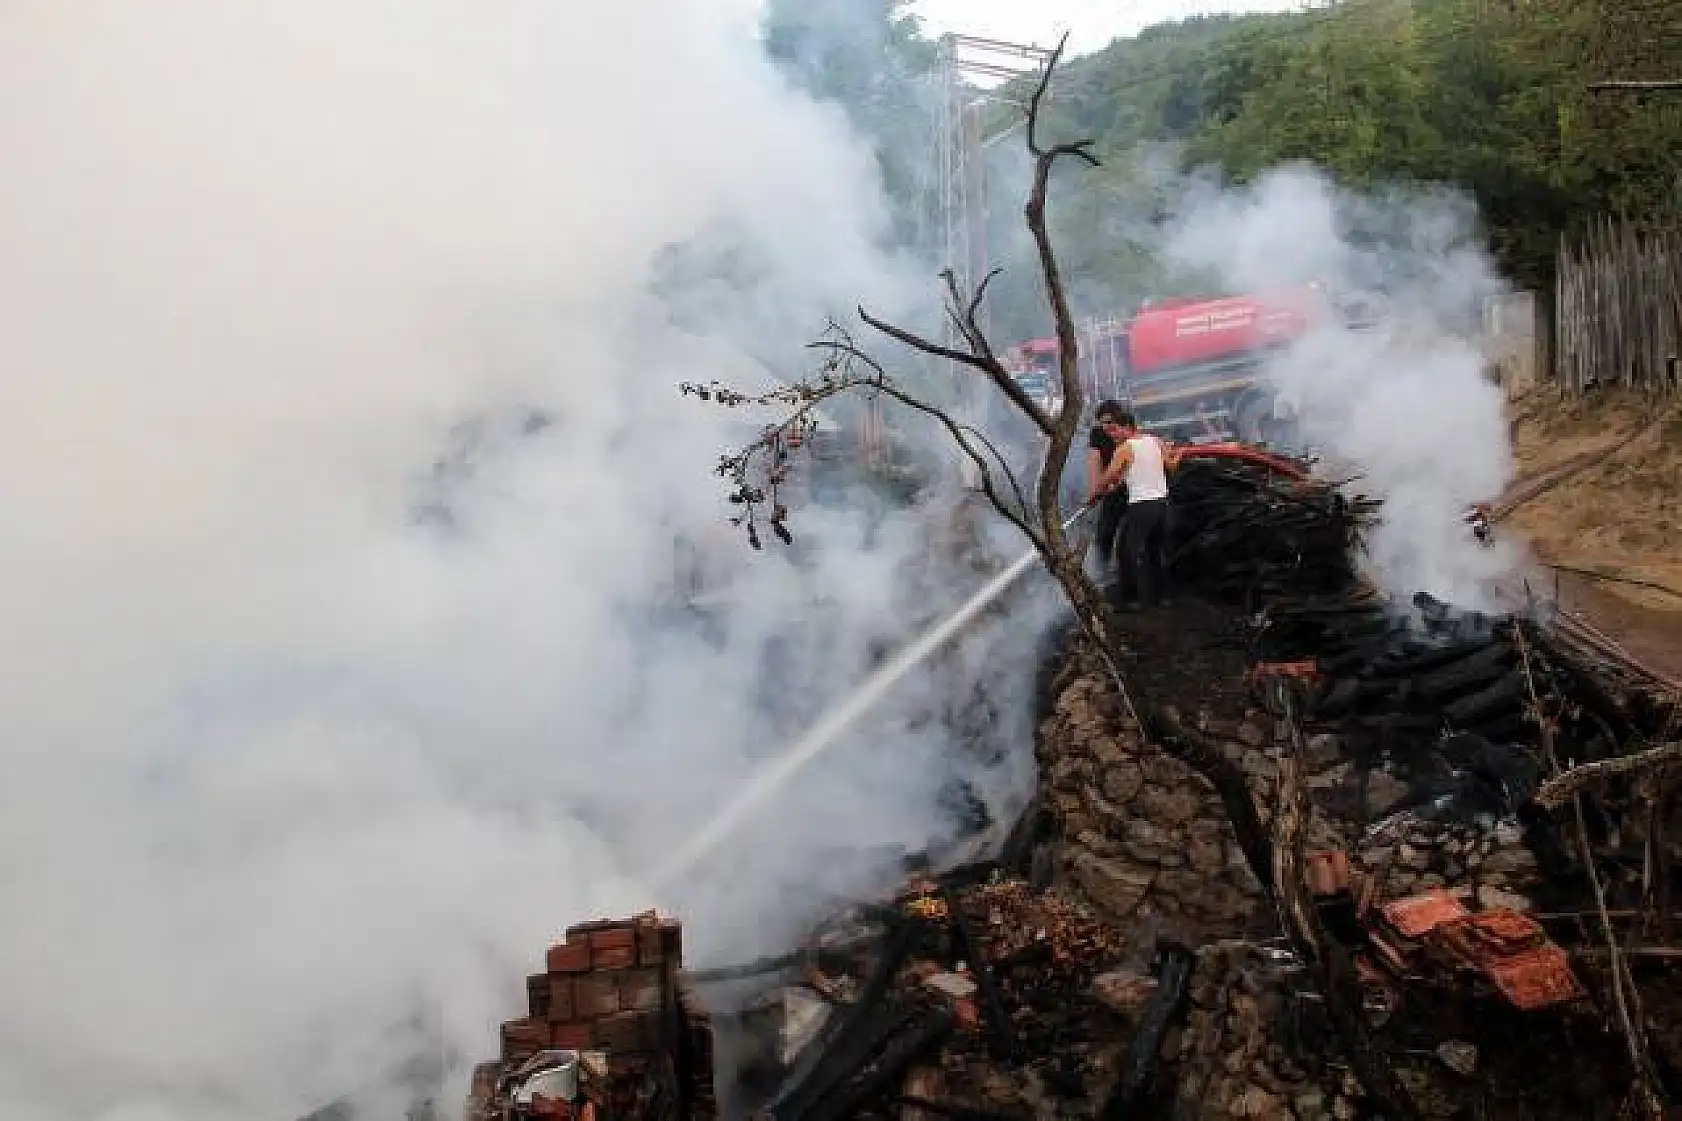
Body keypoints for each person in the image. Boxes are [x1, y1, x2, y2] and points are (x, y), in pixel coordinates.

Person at [1095, 410, 1181, 609]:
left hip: (1142, 507)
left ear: (1127, 427)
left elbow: (1107, 478)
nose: (1113, 435)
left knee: (1126, 552)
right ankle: (1163, 598)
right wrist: (1179, 455)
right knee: (1155, 552)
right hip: (1162, 505)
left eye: (1115, 430)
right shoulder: (1156, 442)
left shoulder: (1124, 449)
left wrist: (1097, 492)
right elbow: (1172, 466)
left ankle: (1130, 600)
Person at [1086, 400, 1132, 579]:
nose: (1106, 427)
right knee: (1104, 534)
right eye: (1102, 422)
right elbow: (1094, 459)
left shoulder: (1127, 433)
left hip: (1133, 490)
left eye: (1109, 422)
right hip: (1111, 489)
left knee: (1128, 542)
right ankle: (1101, 576)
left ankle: (1130, 584)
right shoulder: (1097, 433)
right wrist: (1095, 489)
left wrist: (1112, 482)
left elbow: (1128, 463)